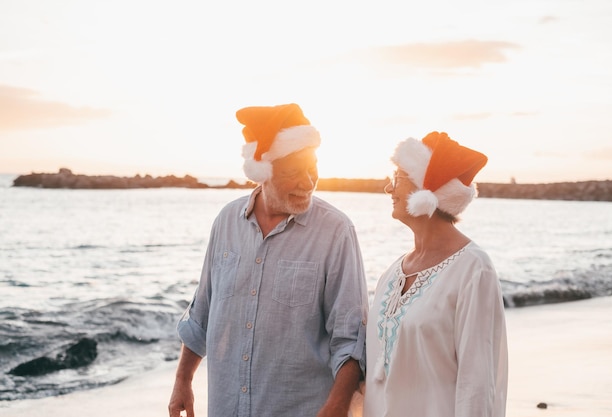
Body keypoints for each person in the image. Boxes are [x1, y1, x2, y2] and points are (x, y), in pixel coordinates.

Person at [168, 103, 368, 417]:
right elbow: (201, 314)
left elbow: (350, 336)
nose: (308, 182)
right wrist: (183, 380)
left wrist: (338, 405)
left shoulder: (336, 231)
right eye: (293, 171)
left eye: (312, 167)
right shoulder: (226, 222)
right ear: (263, 170)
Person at [363, 132, 508, 417]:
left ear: (425, 191)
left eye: (399, 178)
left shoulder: (474, 270)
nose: (387, 188)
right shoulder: (392, 273)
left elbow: (477, 383)